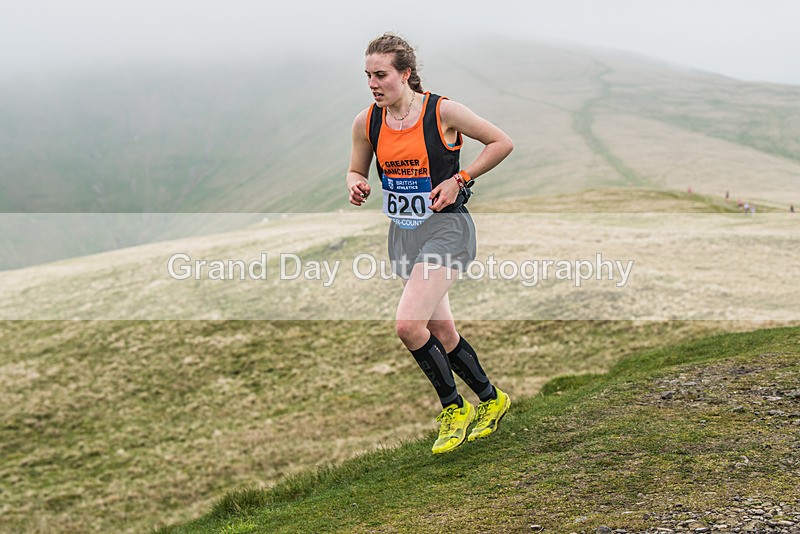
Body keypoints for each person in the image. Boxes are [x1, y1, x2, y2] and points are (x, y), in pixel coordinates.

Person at [346, 33, 514, 454]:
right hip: (404, 234)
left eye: (381, 75)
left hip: (447, 229)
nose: (373, 83)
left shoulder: (443, 111)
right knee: (441, 329)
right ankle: (492, 401)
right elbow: (355, 169)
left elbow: (501, 142)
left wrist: (460, 179)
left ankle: (453, 408)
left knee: (408, 325)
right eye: (367, 75)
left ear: (405, 74)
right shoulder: (367, 121)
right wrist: (357, 182)